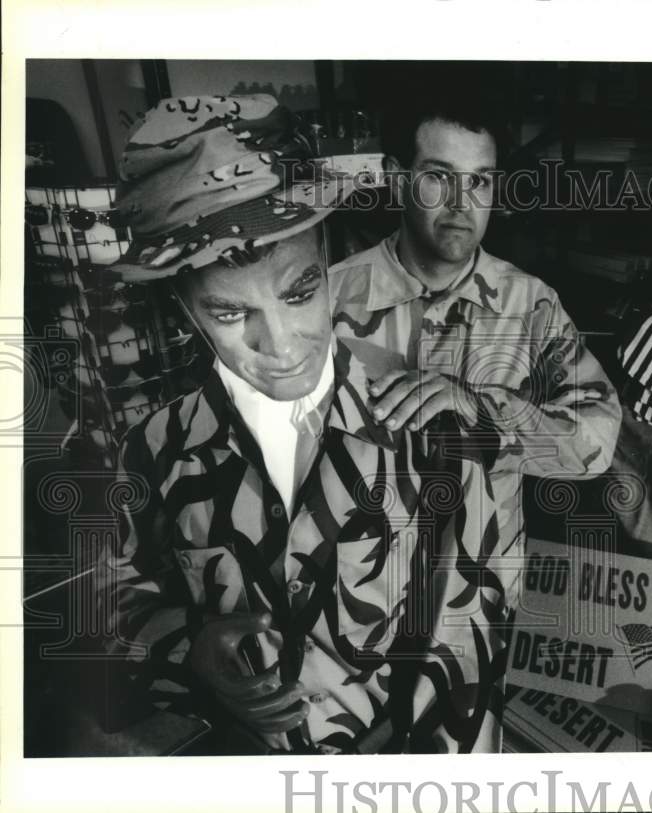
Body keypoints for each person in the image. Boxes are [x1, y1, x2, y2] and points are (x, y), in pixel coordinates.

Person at [99, 95, 508, 754]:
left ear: (327, 262)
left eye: (299, 292)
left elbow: (474, 662)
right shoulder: (153, 451)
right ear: (183, 311)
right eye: (232, 314)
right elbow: (114, 596)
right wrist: (184, 646)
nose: (284, 345)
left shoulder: (432, 438)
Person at [328, 94, 623, 606]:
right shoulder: (327, 301)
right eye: (439, 177)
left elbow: (594, 446)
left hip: (479, 600)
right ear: (398, 179)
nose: (462, 205)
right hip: (356, 600)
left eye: (480, 180)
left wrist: (480, 410)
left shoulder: (530, 304)